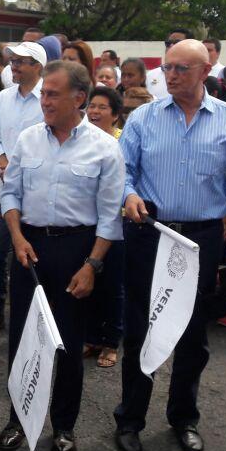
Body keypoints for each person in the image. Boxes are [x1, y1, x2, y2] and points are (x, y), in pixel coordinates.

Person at [114, 39, 226, 451]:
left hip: (203, 240)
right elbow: (122, 171)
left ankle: (184, 419)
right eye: (167, 67)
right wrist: (128, 194)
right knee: (141, 329)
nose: (170, 75)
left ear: (205, 72)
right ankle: (131, 419)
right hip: (150, 233)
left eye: (181, 69)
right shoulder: (144, 117)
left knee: (193, 335)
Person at [0, 61, 125, 451]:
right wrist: (17, 237)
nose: (44, 101)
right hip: (29, 248)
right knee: (22, 338)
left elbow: (109, 217)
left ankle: (64, 426)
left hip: (77, 252)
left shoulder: (105, 148)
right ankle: (18, 418)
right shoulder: (29, 140)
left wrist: (92, 265)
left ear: (79, 98)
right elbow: (10, 194)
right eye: (44, 94)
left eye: (52, 94)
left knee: (68, 344)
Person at [0, 41, 46, 337]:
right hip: (6, 189)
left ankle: (34, 319)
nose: (14, 66)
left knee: (34, 256)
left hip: (38, 189)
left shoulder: (47, 97)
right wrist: (1, 157)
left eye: (21, 62)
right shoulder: (4, 99)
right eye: (13, 61)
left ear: (37, 66)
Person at [82, 85, 126, 368]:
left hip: (117, 225)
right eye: (92, 106)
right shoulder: (83, 140)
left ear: (116, 115)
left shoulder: (122, 141)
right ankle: (91, 336)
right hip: (87, 223)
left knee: (113, 286)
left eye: (102, 107)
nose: (95, 112)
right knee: (89, 283)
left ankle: (111, 342)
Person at [146, 29, 191, 100]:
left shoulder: (196, 75)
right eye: (168, 43)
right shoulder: (150, 75)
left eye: (177, 43)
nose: (171, 45)